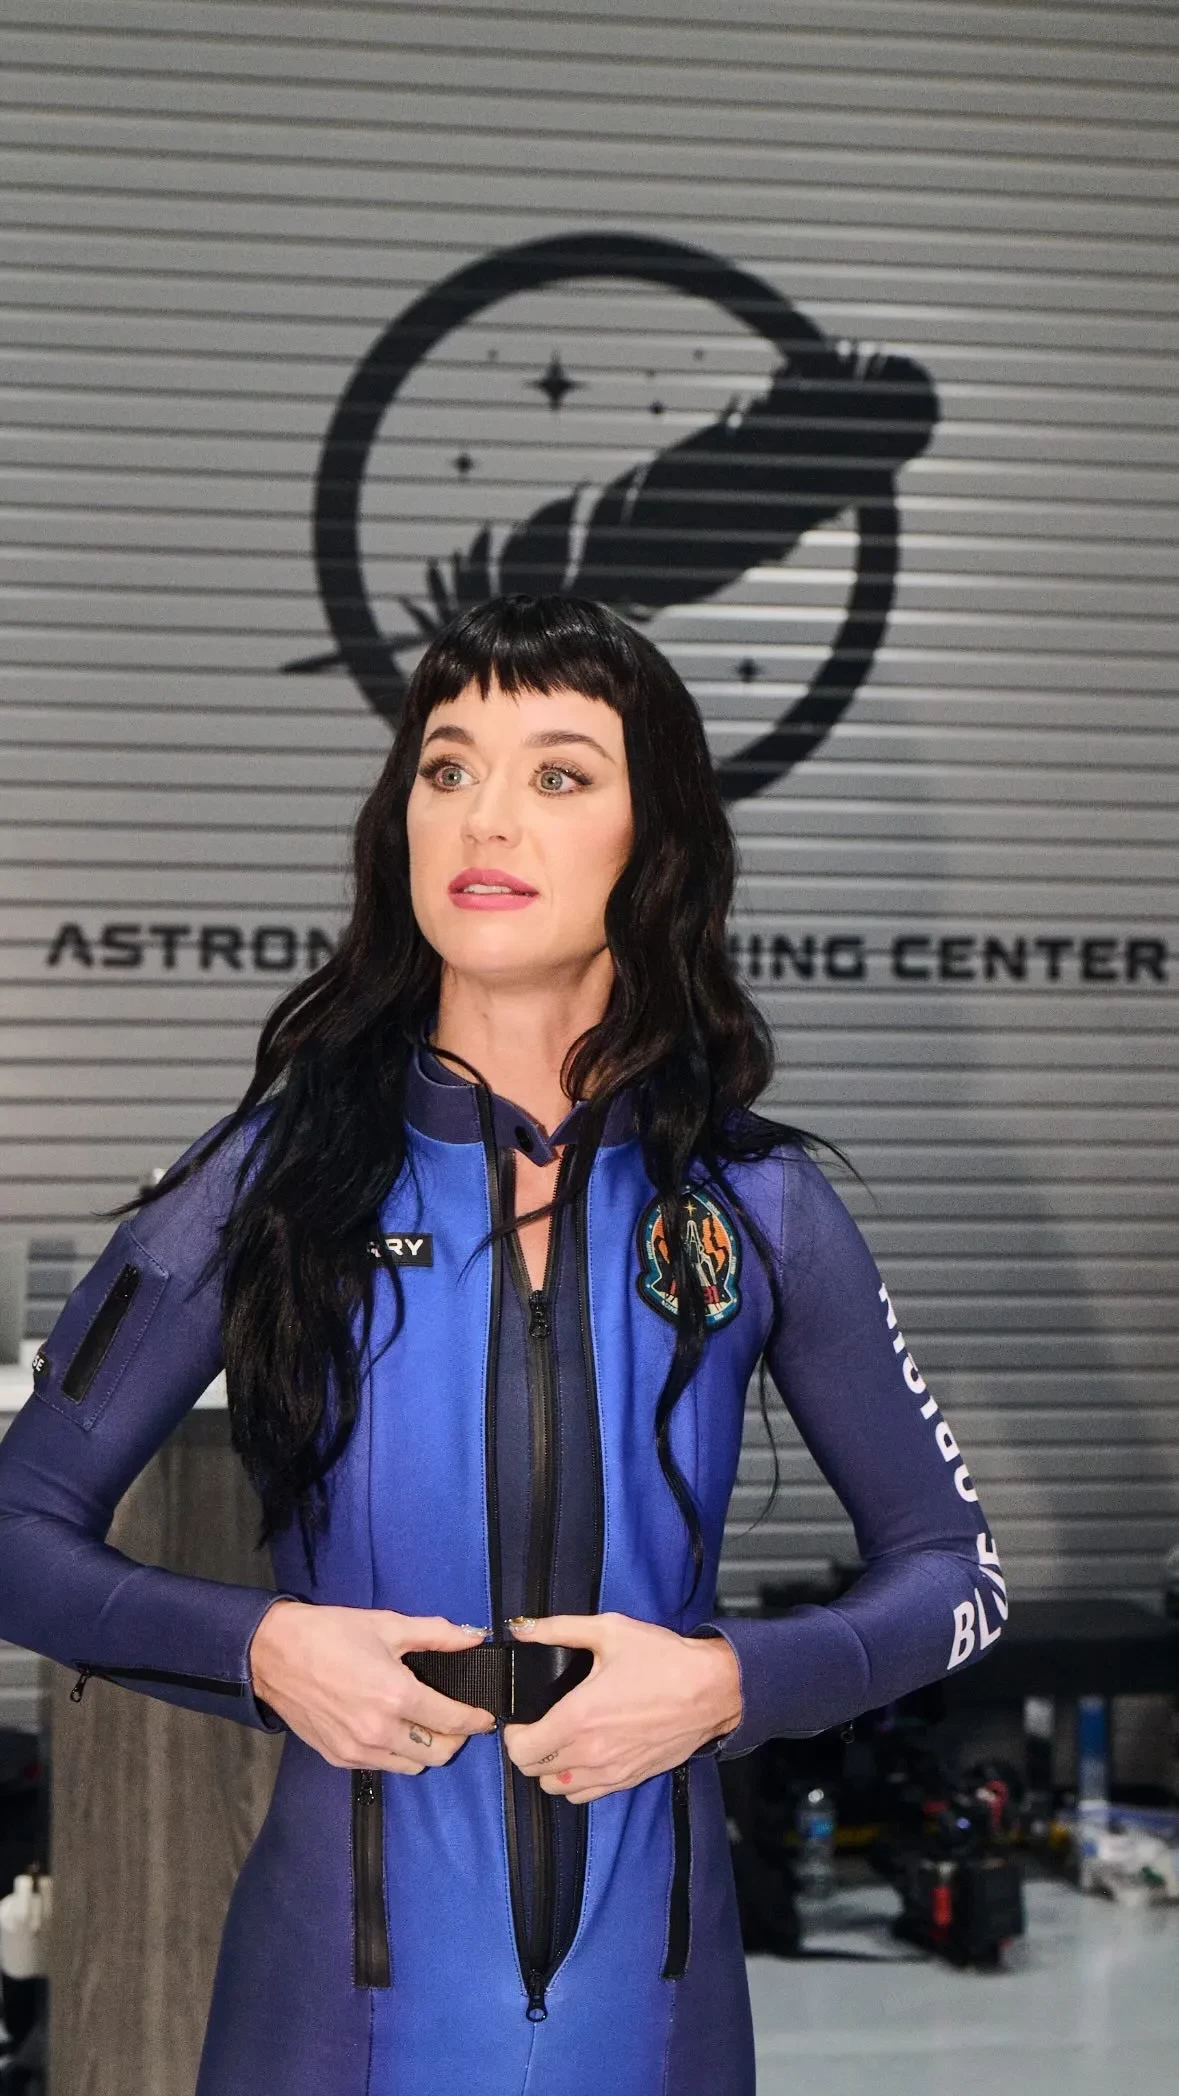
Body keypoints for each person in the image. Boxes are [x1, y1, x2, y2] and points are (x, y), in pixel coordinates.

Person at [0, 595, 1006, 2095]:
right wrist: (263, 1650)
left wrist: (732, 1682)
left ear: (654, 841)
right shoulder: (268, 1184)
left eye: (558, 774)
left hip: (656, 2012)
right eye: (448, 766)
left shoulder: (758, 1205)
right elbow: (15, 1533)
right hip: (327, 2010)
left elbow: (959, 1574)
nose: (486, 816)